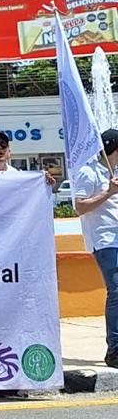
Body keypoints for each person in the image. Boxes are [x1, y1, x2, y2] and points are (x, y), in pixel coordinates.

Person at [74, 130, 118, 368]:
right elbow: (79, 206)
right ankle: (115, 348)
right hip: (105, 239)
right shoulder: (88, 172)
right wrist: (108, 192)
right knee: (117, 290)